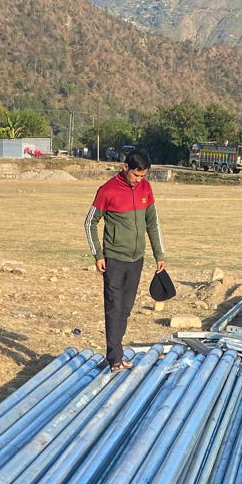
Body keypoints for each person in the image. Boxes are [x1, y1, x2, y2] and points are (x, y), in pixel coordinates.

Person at [84, 150, 166, 372]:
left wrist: (160, 254)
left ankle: (117, 352)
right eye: (136, 175)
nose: (139, 180)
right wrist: (98, 255)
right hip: (114, 260)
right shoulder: (107, 191)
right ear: (125, 168)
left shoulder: (146, 188)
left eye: (143, 176)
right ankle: (115, 359)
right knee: (114, 307)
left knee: (126, 309)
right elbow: (89, 223)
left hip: (136, 259)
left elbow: (153, 223)